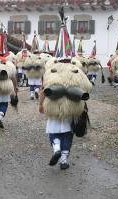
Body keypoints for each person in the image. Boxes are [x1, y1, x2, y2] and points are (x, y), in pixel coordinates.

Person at [39, 7, 92, 170]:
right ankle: (63, 160)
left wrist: (40, 105)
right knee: (68, 133)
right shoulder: (77, 70)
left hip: (53, 105)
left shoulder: (50, 70)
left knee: (53, 130)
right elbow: (87, 89)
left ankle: (55, 148)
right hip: (71, 107)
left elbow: (43, 88)